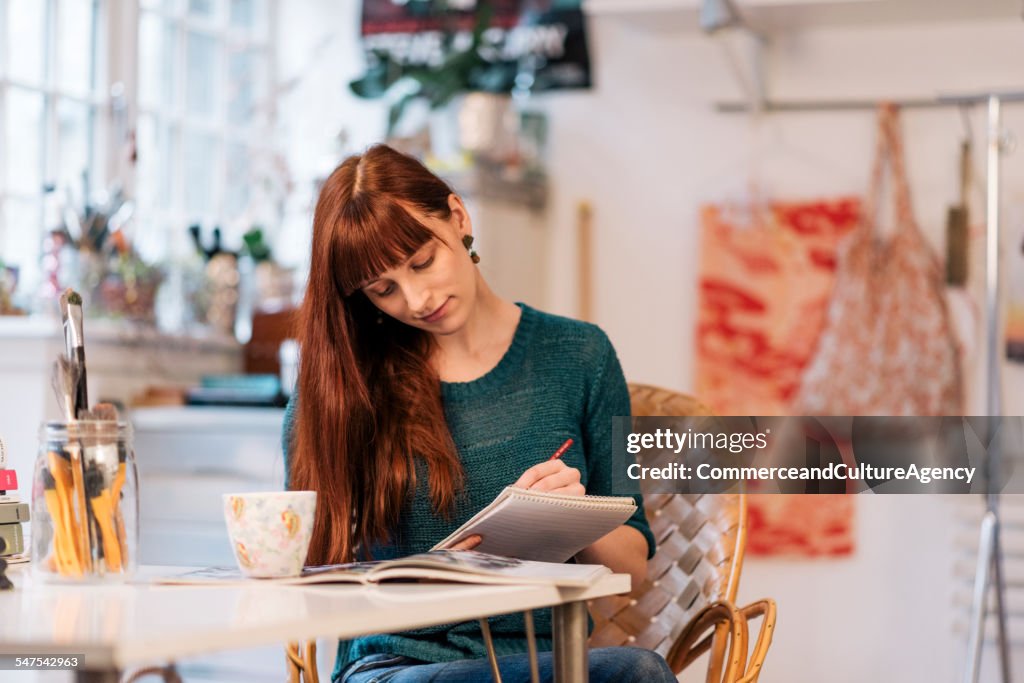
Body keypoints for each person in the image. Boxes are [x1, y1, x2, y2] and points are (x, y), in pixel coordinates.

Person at [282, 144, 675, 683]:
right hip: (398, 666)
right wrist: (423, 580)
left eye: (423, 262)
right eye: (384, 289)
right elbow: (302, 575)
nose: (417, 298)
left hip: (547, 658)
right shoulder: (346, 387)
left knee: (638, 672)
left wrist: (572, 516)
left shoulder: (580, 354)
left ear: (459, 218)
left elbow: (632, 568)